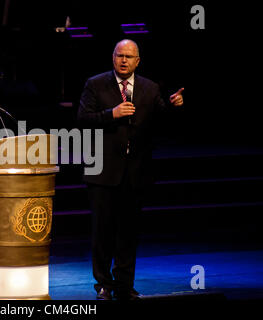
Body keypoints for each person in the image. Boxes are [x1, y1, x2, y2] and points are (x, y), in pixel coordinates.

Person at [77, 39, 184, 300]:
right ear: (112, 58)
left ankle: (125, 284)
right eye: (119, 55)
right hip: (103, 171)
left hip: (135, 171)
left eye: (129, 56)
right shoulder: (96, 84)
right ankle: (103, 283)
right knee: (102, 231)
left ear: (138, 61)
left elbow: (161, 119)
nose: (124, 60)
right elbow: (82, 120)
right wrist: (110, 114)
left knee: (128, 231)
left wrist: (173, 105)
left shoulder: (149, 88)